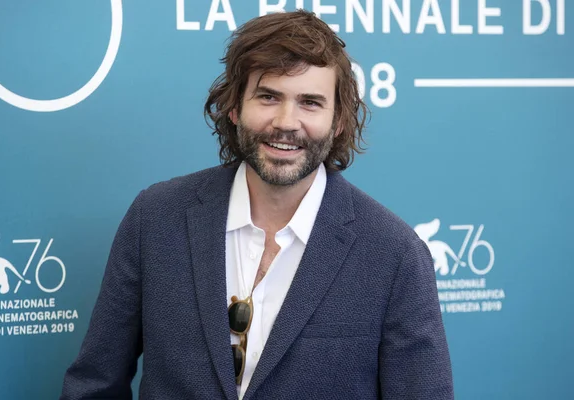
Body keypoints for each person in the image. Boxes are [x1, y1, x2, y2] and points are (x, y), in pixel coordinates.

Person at [60, 10, 453, 400]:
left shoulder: (394, 253)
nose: (286, 121)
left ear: (339, 122)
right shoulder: (156, 218)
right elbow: (95, 385)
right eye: (268, 96)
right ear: (234, 108)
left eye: (310, 103)